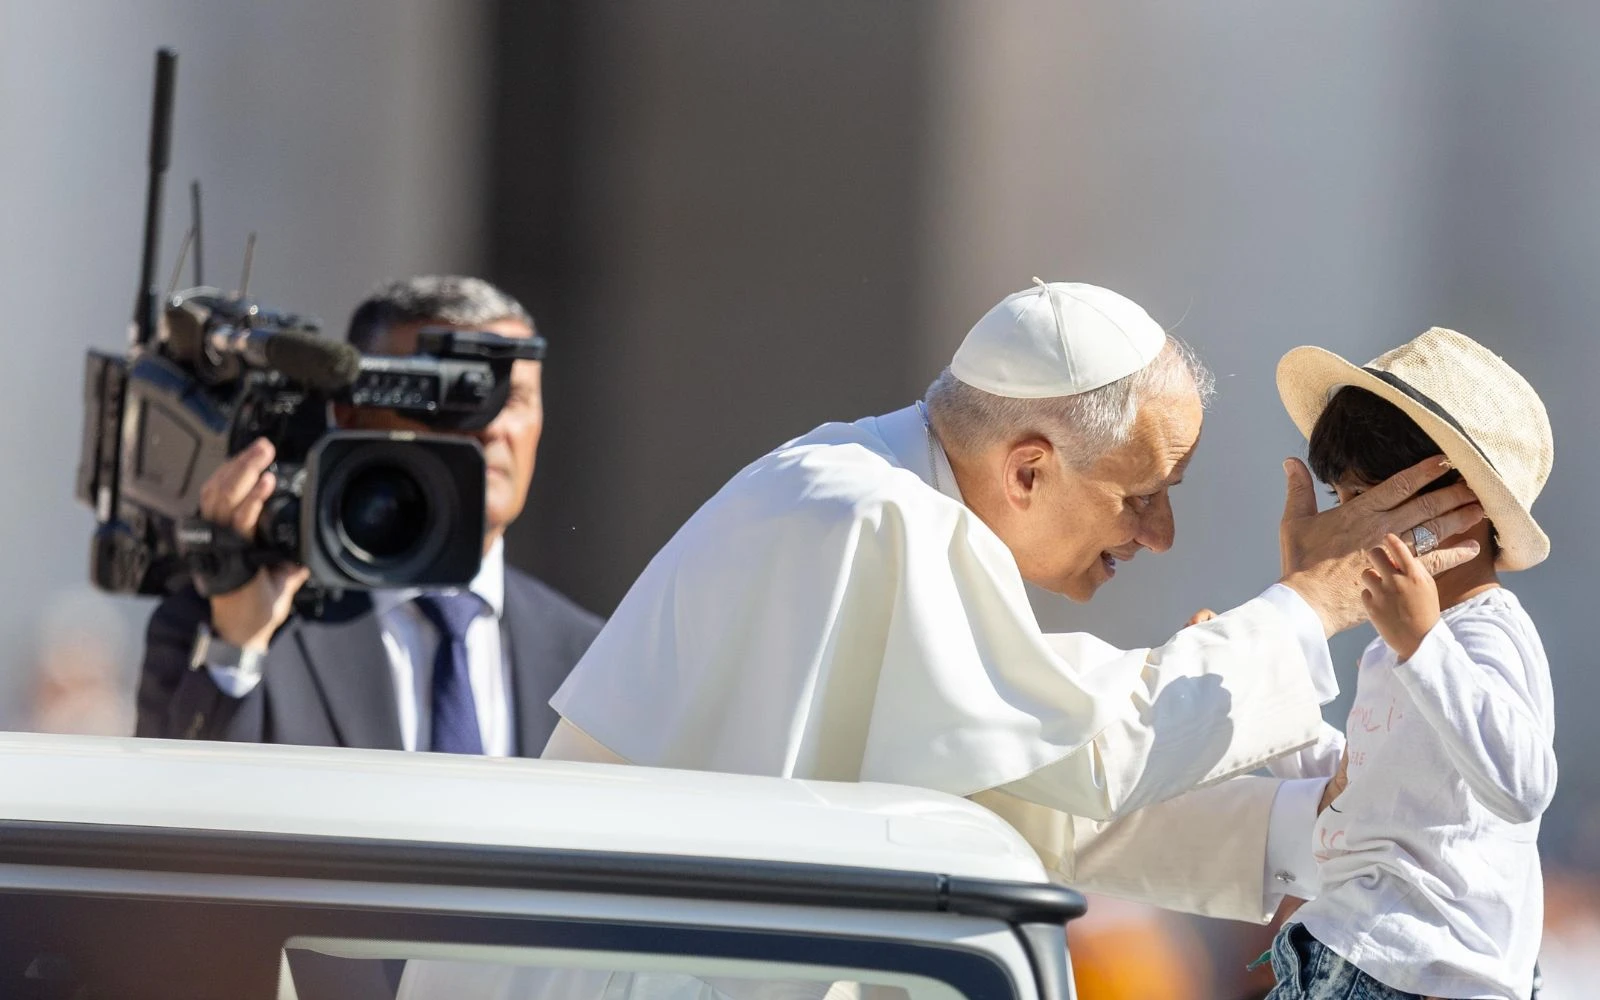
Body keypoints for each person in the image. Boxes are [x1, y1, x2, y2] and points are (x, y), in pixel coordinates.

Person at [541, 279, 1485, 921]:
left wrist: (1319, 820)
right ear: (1028, 469)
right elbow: (1094, 755)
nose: (1157, 537)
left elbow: (1010, 791)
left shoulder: (878, 496)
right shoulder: (868, 515)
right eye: (1141, 495)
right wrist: (1310, 604)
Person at [136, 275, 603, 756]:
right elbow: (175, 814)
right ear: (352, 413)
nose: (487, 428)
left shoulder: (592, 657)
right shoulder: (233, 623)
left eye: (510, 399)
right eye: (447, 398)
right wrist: (239, 641)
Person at [1259, 328, 1556, 1000]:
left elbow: (1523, 784)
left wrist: (1425, 646)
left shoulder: (1484, 631)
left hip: (1410, 965)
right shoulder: (1397, 644)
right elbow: (1352, 794)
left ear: (1460, 505)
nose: (1345, 527)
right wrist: (1266, 671)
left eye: (1365, 501)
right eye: (1342, 502)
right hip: (1358, 947)